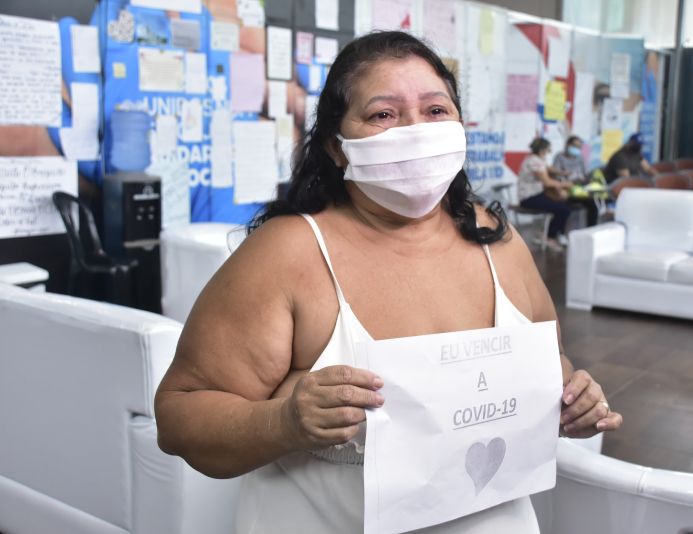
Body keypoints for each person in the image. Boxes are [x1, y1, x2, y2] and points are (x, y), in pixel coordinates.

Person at [154, 31, 622, 534]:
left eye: (436, 110)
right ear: (336, 146)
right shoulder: (288, 254)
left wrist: (571, 400)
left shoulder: (495, 240)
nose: (416, 130)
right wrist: (285, 422)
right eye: (383, 114)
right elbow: (180, 418)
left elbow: (550, 363)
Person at [518, 137, 573, 250]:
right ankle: (548, 236)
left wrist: (562, 173)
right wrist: (564, 184)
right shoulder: (534, 161)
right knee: (564, 209)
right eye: (548, 149)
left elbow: (549, 169)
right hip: (529, 198)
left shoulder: (536, 159)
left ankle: (554, 234)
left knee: (564, 204)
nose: (549, 151)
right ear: (542, 149)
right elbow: (547, 182)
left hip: (536, 194)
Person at [553, 135, 599, 227]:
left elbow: (585, 174)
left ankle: (590, 230)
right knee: (564, 208)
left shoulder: (580, 158)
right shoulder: (559, 157)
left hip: (580, 189)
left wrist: (588, 179)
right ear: (567, 145)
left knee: (594, 206)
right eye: (574, 146)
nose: (577, 149)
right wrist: (568, 181)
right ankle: (561, 231)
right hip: (566, 189)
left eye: (579, 147)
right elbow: (556, 176)